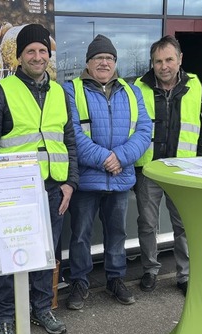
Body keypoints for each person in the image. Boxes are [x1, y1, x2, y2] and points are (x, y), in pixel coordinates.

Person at [0, 24, 78, 334]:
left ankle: (41, 309)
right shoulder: (1, 91)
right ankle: (5, 317)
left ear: (49, 56)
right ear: (19, 56)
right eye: (30, 51)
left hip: (52, 191)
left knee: (44, 256)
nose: (37, 56)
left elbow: (70, 142)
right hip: (13, 194)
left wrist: (70, 183)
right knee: (9, 257)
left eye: (42, 51)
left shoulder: (61, 93)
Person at [62, 35, 152, 310]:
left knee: (117, 234)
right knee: (80, 235)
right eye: (98, 58)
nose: (104, 62)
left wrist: (120, 158)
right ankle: (79, 281)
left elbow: (145, 130)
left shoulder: (132, 91)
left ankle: (116, 279)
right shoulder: (71, 90)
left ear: (115, 63)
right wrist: (105, 159)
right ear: (88, 63)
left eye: (109, 58)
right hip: (88, 180)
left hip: (120, 178)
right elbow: (73, 134)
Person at [133, 35, 202, 296]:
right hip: (149, 169)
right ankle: (150, 270)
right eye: (158, 61)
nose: (163, 66)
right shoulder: (138, 87)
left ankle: (185, 275)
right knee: (147, 223)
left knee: (184, 225)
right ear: (152, 63)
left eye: (169, 59)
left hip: (183, 170)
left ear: (180, 60)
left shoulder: (196, 86)